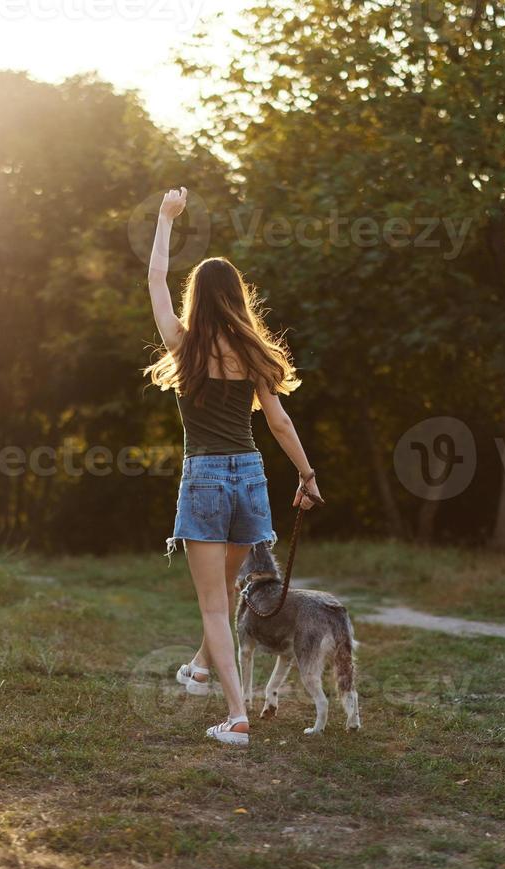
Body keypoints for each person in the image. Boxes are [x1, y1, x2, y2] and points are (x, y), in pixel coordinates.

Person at [145, 187, 322, 746]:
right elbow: (280, 423)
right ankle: (199, 670)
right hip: (250, 475)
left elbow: (153, 280)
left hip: (204, 478)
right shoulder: (251, 354)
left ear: (196, 297)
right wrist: (308, 476)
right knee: (224, 591)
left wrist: (165, 219)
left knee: (215, 605)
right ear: (237, 298)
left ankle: (238, 717)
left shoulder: (185, 345)